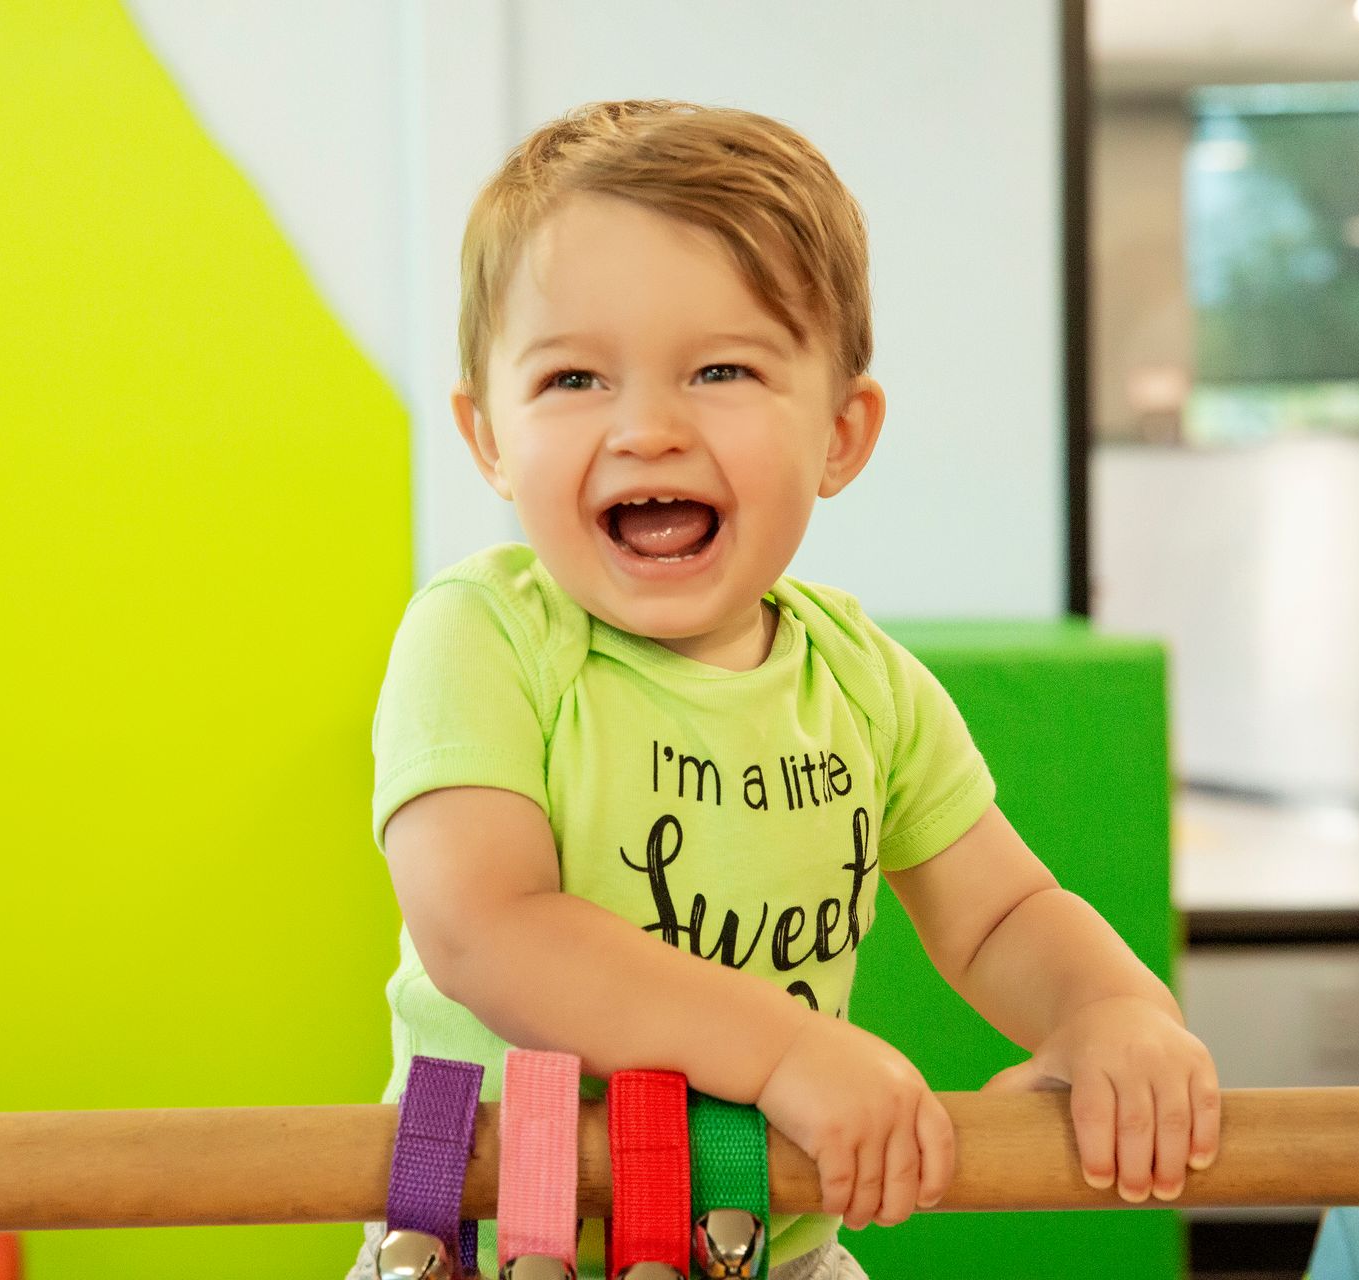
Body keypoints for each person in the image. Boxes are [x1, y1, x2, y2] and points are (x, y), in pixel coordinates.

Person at [348, 100, 1219, 1280]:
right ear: (488, 435)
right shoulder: (484, 639)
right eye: (572, 378)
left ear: (840, 432)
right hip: (493, 1239)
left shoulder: (862, 683)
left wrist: (1116, 1008)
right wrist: (783, 1050)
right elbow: (485, 926)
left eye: (721, 369)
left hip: (765, 1244)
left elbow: (1004, 912)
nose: (646, 427)